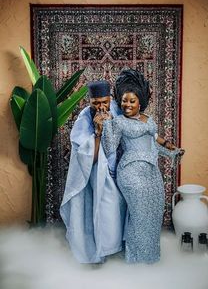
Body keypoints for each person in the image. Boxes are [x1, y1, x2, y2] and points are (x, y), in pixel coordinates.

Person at [100, 69, 184, 263]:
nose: (126, 104)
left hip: (150, 172)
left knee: (153, 213)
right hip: (130, 172)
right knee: (139, 215)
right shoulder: (118, 122)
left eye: (131, 101)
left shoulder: (149, 120)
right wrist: (106, 126)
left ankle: (150, 259)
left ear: (140, 102)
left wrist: (172, 151)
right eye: (124, 100)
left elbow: (153, 144)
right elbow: (110, 147)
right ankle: (135, 259)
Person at [60, 80, 126, 264]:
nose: (101, 106)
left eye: (104, 102)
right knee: (106, 206)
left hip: (120, 166)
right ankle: (104, 250)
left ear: (110, 98)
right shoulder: (84, 118)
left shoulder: (117, 109)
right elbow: (90, 158)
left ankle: (121, 249)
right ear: (89, 101)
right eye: (95, 103)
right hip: (96, 172)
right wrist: (97, 132)